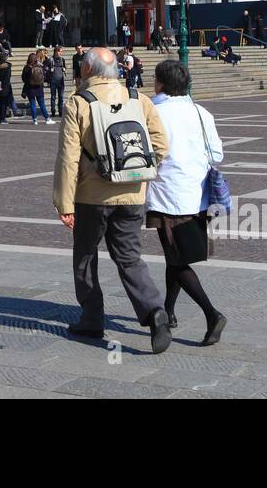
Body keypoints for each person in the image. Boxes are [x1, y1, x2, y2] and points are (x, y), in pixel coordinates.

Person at [54, 46, 172, 353]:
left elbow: (68, 158)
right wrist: (139, 172)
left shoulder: (79, 103)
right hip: (133, 193)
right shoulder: (138, 99)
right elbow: (161, 144)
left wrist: (64, 203)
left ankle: (92, 318)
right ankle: (154, 312)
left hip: (92, 196)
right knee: (130, 256)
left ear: (89, 71)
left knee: (85, 256)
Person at [145, 59, 227, 345]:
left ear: (161, 83)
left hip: (168, 196)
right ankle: (169, 309)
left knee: (177, 260)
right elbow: (216, 155)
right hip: (199, 195)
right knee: (175, 257)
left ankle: (211, 313)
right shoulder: (200, 111)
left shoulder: (154, 112)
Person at [20, 51, 53, 124]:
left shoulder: (26, 67)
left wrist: (28, 81)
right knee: (42, 104)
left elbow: (23, 78)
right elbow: (44, 75)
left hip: (29, 88)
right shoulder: (39, 66)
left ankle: (35, 120)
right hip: (39, 87)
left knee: (32, 104)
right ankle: (47, 118)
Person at [48, 45, 68, 117]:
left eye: (61, 52)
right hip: (53, 80)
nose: (61, 53)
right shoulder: (51, 60)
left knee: (61, 97)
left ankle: (60, 111)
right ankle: (53, 111)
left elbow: (64, 67)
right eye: (60, 51)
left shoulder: (62, 60)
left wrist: (64, 69)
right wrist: (50, 70)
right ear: (56, 52)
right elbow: (46, 69)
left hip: (61, 80)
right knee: (53, 97)